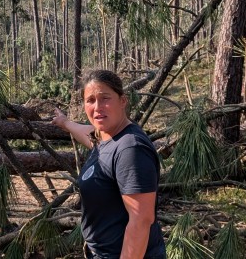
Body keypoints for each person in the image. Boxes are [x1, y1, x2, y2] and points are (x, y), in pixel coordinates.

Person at [52, 69, 166, 259]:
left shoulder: (130, 149)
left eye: (105, 98)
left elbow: (141, 220)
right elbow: (90, 135)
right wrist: (65, 123)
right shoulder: (108, 139)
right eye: (90, 100)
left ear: (123, 100)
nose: (97, 107)